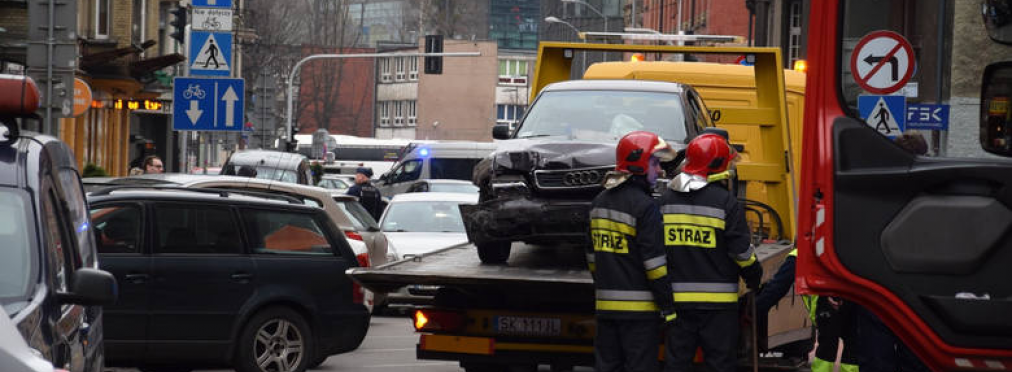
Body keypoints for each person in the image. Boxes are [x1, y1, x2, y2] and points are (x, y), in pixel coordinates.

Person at [659, 132, 762, 372]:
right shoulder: (726, 202)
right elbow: (741, 254)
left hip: (678, 304)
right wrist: (754, 277)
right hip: (718, 308)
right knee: (719, 364)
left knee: (677, 363)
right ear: (718, 166)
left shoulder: (665, 201)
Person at [589, 131, 678, 372]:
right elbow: (655, 266)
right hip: (639, 315)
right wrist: (667, 306)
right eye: (655, 162)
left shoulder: (598, 202)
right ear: (639, 163)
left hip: (606, 310)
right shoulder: (645, 207)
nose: (659, 170)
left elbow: (592, 258)